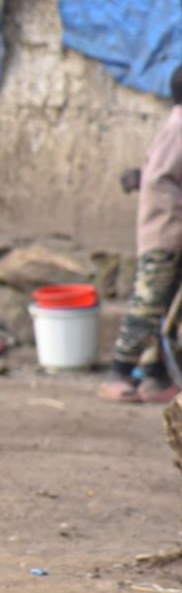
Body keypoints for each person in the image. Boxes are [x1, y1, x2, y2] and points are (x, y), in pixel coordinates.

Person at [103, 100, 182, 403]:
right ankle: (119, 372)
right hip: (164, 233)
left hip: (174, 235)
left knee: (166, 310)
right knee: (147, 305)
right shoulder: (178, 129)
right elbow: (158, 179)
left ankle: (155, 377)